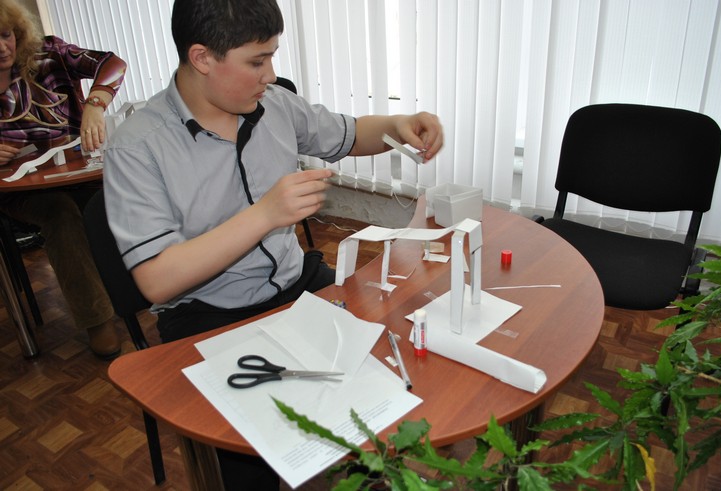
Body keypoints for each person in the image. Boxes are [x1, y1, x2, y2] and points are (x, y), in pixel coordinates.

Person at [104, 0, 443, 487]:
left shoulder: (275, 104)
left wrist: (398, 125)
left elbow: (351, 134)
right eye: (257, 61)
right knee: (245, 461)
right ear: (202, 58)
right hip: (207, 313)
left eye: (272, 56)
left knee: (376, 403)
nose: (270, 75)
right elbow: (157, 280)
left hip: (296, 284)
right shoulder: (136, 146)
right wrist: (264, 215)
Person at [0, 0, 127, 359]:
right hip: (19, 191)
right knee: (60, 212)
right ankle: (97, 319)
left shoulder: (50, 54)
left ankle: (152, 288)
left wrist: (96, 104)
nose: (2, 47)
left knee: (122, 196)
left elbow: (112, 64)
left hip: (77, 173)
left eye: (5, 35)